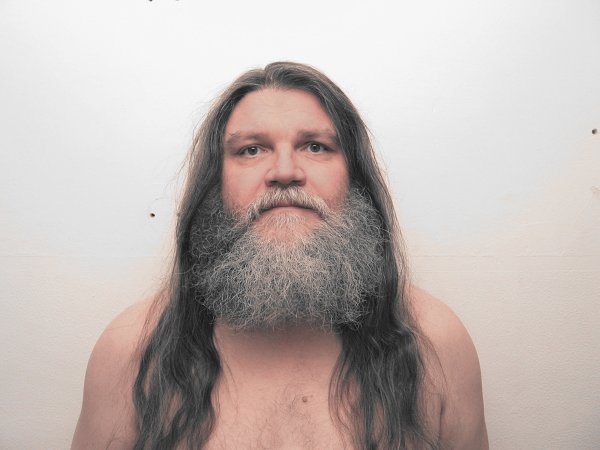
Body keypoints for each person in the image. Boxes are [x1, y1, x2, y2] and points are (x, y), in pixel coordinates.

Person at [71, 62, 488, 449]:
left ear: (355, 177)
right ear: (214, 183)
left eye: (316, 146)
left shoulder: (436, 342)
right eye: (252, 150)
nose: (285, 171)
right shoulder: (129, 351)